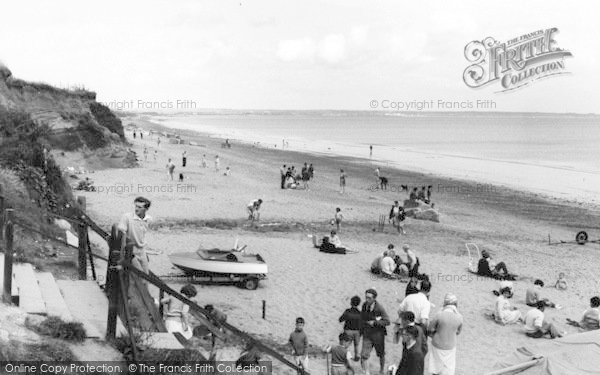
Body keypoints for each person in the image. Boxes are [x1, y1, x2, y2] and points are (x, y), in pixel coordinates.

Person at [428, 293, 463, 375]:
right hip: (450, 345)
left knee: (436, 367)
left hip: (437, 343)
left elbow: (430, 329)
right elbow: (458, 332)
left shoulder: (439, 314)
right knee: (447, 368)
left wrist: (434, 334)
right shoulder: (459, 317)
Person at [117, 197, 152, 276]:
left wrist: (145, 252)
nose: (136, 209)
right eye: (136, 206)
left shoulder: (148, 219)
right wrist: (122, 255)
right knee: (135, 276)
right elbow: (121, 235)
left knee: (146, 276)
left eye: (139, 207)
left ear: (146, 209)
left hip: (142, 251)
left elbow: (143, 235)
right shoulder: (127, 217)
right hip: (130, 251)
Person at [360, 288, 390, 375]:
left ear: (374, 298)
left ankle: (381, 370)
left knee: (381, 354)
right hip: (367, 334)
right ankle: (367, 372)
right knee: (364, 354)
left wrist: (375, 322)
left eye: (369, 298)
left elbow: (387, 321)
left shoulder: (380, 308)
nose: (367, 300)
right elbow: (362, 317)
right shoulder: (364, 305)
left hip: (378, 335)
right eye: (366, 297)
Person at [339, 296, 362, 361]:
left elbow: (341, 319)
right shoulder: (360, 313)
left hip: (348, 330)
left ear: (351, 303)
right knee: (356, 345)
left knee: (346, 344)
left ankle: (343, 355)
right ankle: (357, 355)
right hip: (357, 331)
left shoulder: (348, 311)